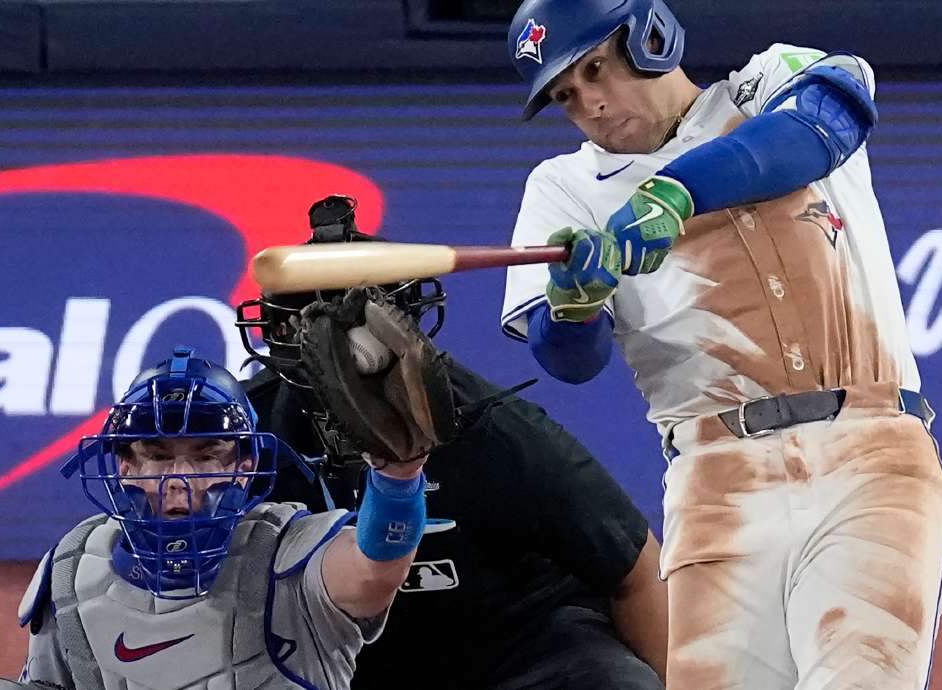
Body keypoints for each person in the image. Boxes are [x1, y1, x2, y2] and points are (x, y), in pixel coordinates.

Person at [500, 1, 942, 688]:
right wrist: (575, 302)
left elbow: (820, 130)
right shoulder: (563, 190)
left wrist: (675, 193)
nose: (589, 102)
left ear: (651, 37)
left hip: (868, 451)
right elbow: (567, 359)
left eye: (596, 68)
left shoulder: (771, 82)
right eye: (566, 95)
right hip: (717, 482)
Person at [235, 194, 668, 689]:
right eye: (308, 323)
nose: (340, 343)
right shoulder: (243, 438)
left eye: (358, 321)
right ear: (278, 334)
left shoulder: (494, 430)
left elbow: (634, 570)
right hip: (338, 668)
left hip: (516, 652)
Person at [0, 346, 429, 690]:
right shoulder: (76, 565)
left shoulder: (290, 552)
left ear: (244, 467)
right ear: (126, 467)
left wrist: (397, 480)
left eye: (206, 456)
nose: (178, 478)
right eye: (158, 455)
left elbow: (374, 570)